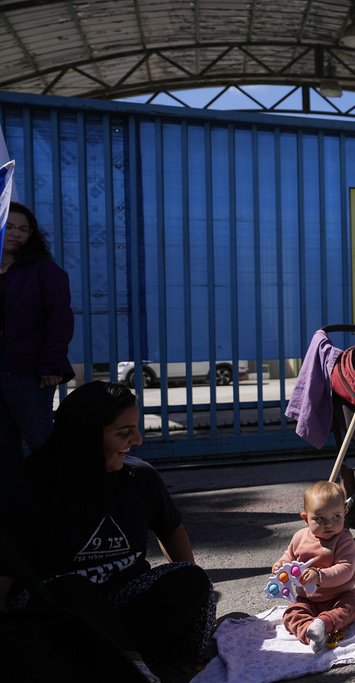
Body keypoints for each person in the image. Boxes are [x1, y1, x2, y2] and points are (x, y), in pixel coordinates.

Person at [0, 381, 216, 682]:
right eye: (124, 433)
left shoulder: (139, 477)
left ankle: (114, 664)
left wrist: (191, 593)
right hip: (58, 614)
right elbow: (5, 573)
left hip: (123, 604)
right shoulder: (27, 490)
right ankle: (131, 672)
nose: (138, 439)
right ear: (84, 437)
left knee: (191, 579)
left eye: (136, 428)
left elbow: (170, 528)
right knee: (72, 589)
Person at [0, 202, 74, 479]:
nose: (16, 233)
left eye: (24, 229)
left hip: (27, 365)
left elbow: (60, 319)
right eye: (9, 226)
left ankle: (60, 500)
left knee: (39, 437)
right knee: (3, 442)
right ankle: (13, 506)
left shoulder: (43, 270)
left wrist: (52, 364)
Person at [272, 480, 355, 653]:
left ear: (344, 513)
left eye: (336, 517)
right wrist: (281, 565)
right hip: (307, 599)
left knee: (352, 606)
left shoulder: (344, 539)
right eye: (319, 518)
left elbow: (346, 569)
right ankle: (310, 634)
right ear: (306, 519)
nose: (328, 524)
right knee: (291, 614)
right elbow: (289, 556)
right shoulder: (299, 538)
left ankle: (322, 624)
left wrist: (320, 577)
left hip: (339, 595)